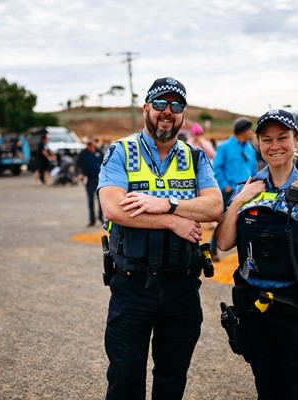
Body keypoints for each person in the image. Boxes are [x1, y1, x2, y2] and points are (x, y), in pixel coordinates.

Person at [97, 77, 222, 400]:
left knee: (172, 379)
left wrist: (168, 204)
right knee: (125, 379)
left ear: (183, 115)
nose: (168, 112)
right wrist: (173, 222)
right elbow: (113, 208)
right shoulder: (121, 152)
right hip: (132, 287)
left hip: (181, 288)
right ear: (146, 108)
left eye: (177, 106)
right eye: (161, 104)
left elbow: (215, 206)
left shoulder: (195, 158)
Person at [215, 108, 298, 400]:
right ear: (258, 144)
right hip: (258, 311)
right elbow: (223, 243)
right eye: (267, 139)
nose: (275, 146)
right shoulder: (248, 188)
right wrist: (237, 202)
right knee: (269, 389)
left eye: (282, 138)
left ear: (296, 139)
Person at [211, 117, 258, 260]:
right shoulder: (225, 147)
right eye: (249, 129)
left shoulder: (249, 148)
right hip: (230, 190)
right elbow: (217, 168)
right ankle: (213, 248)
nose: (251, 132)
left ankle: (247, 252)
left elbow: (254, 168)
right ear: (243, 131)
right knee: (225, 220)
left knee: (249, 221)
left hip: (248, 191)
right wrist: (224, 185)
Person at [75, 138, 103, 226]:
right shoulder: (83, 153)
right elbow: (77, 165)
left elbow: (105, 164)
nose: (89, 147)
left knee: (101, 200)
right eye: (88, 145)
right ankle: (92, 220)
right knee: (90, 200)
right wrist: (79, 174)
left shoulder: (100, 152)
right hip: (89, 180)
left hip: (99, 180)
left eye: (91, 145)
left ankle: (101, 217)